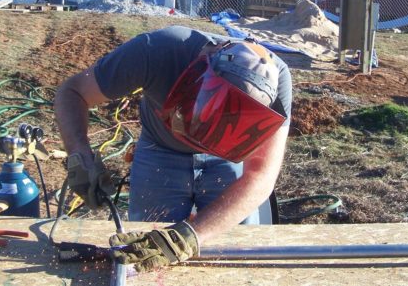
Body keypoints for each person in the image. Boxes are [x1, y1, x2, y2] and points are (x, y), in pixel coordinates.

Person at [55, 25, 292, 272]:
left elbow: (262, 176)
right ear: (200, 68)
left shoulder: (280, 79)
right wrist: (80, 155)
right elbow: (72, 92)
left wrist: (191, 236)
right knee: (144, 253)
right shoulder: (158, 51)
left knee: (235, 255)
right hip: (161, 150)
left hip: (226, 159)